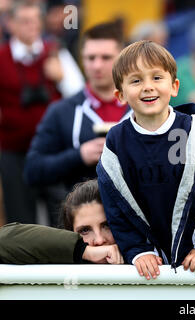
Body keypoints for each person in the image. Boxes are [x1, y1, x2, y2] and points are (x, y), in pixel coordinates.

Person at [96, 40, 195, 280]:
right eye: (136, 80)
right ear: (120, 95)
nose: (147, 87)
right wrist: (137, 250)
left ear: (174, 86)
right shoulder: (115, 141)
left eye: (157, 78)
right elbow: (115, 206)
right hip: (145, 266)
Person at [24, 21, 131, 200]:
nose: (96, 66)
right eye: (90, 58)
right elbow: (32, 171)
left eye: (106, 57)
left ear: (122, 60)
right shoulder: (62, 111)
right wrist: (79, 155)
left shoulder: (143, 108)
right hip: (80, 220)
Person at [0, 0, 84, 225]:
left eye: (36, 21)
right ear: (11, 24)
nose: (32, 27)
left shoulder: (55, 52)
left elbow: (79, 96)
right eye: (25, 21)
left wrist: (61, 77)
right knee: (19, 220)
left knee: (60, 218)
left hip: (53, 152)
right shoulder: (2, 56)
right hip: (13, 152)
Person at [0, 179, 124, 264]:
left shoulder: (141, 256)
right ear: (69, 233)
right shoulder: (63, 260)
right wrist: (84, 251)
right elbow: (3, 239)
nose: (99, 240)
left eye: (107, 225)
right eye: (85, 230)